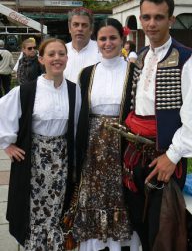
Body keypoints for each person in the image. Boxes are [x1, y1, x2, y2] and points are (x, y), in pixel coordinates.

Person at [121, 0, 192, 251]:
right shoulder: (142, 55)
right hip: (135, 155)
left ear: (171, 20)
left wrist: (173, 156)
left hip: (164, 157)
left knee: (163, 230)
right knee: (140, 224)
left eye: (159, 17)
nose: (151, 24)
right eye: (146, 17)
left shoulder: (186, 59)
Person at [63, 18, 140, 251]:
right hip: (93, 144)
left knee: (121, 191)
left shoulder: (134, 71)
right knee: (93, 193)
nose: (107, 43)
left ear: (123, 40)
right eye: (103, 39)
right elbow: (79, 111)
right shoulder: (86, 74)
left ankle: (120, 243)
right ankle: (95, 244)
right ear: (97, 41)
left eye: (113, 38)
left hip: (122, 143)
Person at [0, 38, 81, 250]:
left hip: (61, 158)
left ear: (66, 58)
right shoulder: (26, 90)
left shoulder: (74, 90)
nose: (57, 58)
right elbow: (2, 112)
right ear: (41, 58)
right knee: (34, 208)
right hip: (34, 159)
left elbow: (76, 127)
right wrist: (7, 144)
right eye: (51, 54)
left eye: (61, 54)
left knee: (57, 207)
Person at [64, 7, 101, 83]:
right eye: (76, 24)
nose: (80, 29)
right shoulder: (61, 51)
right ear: (69, 28)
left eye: (84, 25)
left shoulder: (101, 51)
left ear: (91, 29)